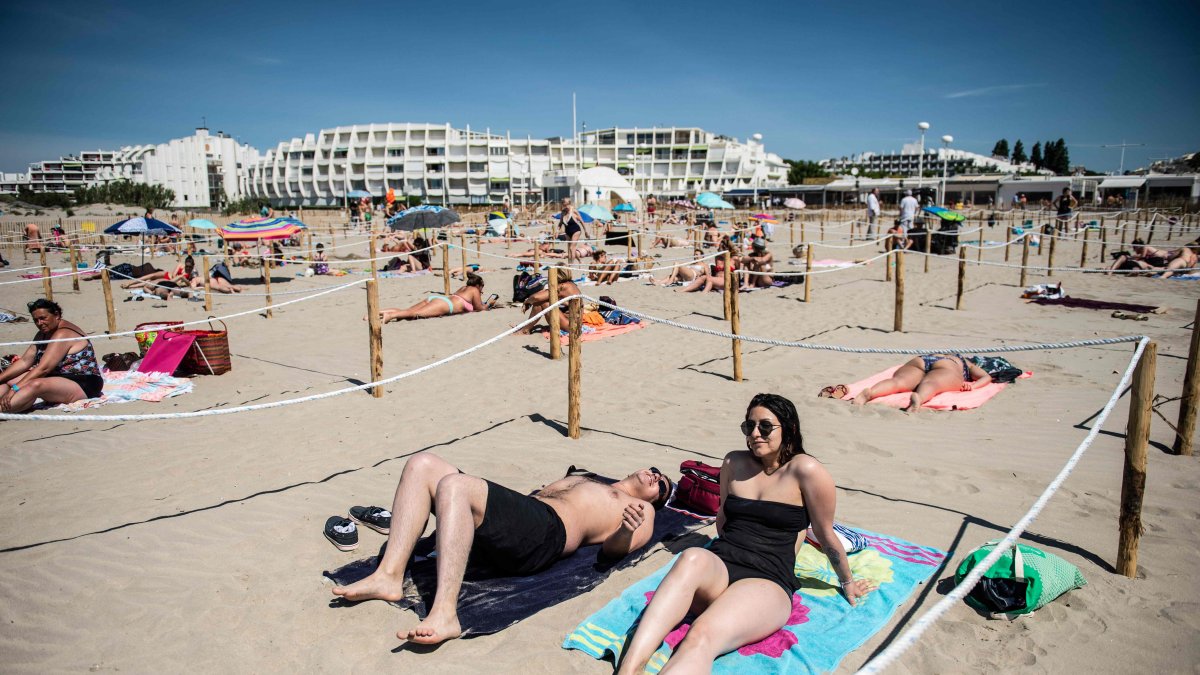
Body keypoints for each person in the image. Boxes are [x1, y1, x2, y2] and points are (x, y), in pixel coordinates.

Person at [616, 394, 873, 673]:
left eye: (765, 427)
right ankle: (628, 670)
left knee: (700, 636)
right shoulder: (733, 463)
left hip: (767, 581)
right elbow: (723, 520)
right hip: (722, 565)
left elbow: (825, 534)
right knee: (692, 556)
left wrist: (847, 582)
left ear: (790, 429)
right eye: (748, 426)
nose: (754, 434)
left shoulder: (807, 470)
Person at [331, 452, 671, 644]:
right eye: (655, 469)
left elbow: (614, 552)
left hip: (545, 535)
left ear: (658, 499)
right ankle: (389, 576)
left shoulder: (642, 511)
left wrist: (626, 531)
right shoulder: (588, 478)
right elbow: (529, 501)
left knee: (455, 486)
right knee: (422, 465)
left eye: (662, 484)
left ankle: (446, 613)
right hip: (520, 524)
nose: (655, 476)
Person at [0, 299, 105, 412]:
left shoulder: (63, 333)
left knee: (35, 384)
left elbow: (44, 368)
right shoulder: (43, 333)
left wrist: (14, 390)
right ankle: (16, 403)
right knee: (9, 380)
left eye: (43, 318)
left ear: (57, 315)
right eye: (36, 320)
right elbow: (25, 361)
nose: (40, 323)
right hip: (57, 377)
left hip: (83, 382)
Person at [852, 353, 992, 411]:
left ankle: (870, 393)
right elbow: (986, 377)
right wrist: (974, 385)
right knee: (932, 383)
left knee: (898, 381)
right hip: (947, 365)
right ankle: (919, 398)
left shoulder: (950, 354)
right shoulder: (967, 364)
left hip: (921, 359)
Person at [376, 272, 494, 322]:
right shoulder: (475, 290)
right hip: (445, 305)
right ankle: (389, 316)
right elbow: (479, 308)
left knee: (408, 311)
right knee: (415, 314)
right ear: (478, 285)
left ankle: (377, 313)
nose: (482, 289)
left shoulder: (464, 288)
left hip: (438, 299)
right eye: (482, 287)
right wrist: (489, 305)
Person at [121, 256, 195, 290]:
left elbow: (191, 282)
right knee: (150, 275)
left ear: (192, 266)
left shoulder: (192, 273)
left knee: (151, 282)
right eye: (187, 266)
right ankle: (130, 282)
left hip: (169, 281)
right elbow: (173, 274)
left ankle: (130, 287)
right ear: (185, 264)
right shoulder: (181, 265)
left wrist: (183, 280)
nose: (188, 268)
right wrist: (181, 278)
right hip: (168, 275)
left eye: (190, 267)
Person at [1107, 239, 1171, 274]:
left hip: (1162, 259)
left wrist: (1132, 257)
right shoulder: (1145, 252)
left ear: (1137, 246)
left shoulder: (1144, 247)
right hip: (1157, 262)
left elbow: (1142, 257)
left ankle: (1110, 271)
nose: (1134, 250)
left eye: (1134, 248)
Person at [559, 197, 590, 265]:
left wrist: (586, 231)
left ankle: (571, 265)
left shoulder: (574, 211)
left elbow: (581, 221)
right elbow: (560, 223)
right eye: (564, 205)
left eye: (566, 205)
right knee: (570, 249)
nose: (565, 206)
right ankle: (578, 260)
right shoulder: (563, 212)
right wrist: (557, 231)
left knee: (571, 248)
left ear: (569, 204)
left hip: (576, 230)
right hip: (567, 231)